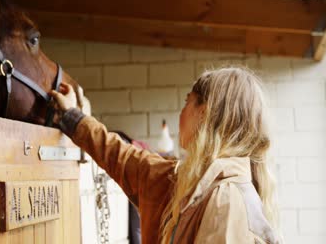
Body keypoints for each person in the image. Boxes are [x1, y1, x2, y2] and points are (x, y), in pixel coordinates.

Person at [50, 67, 280, 243]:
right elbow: (122, 156)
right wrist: (72, 116)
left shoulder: (227, 200)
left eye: (187, 101)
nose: (182, 111)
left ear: (204, 112)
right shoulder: (188, 181)